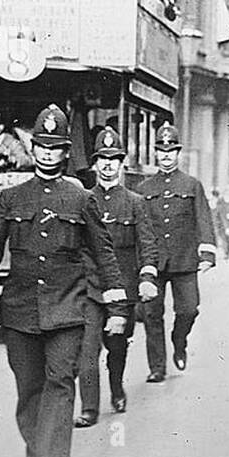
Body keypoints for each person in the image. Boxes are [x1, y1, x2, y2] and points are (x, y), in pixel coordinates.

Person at [0, 105, 130, 457]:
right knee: (29, 387)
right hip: (20, 309)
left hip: (67, 307)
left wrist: (117, 307)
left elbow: (104, 253)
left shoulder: (81, 199)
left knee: (60, 382)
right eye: (41, 145)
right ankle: (35, 456)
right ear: (33, 148)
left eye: (55, 147)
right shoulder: (11, 198)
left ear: (64, 152)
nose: (47, 153)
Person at [75, 127, 160, 425]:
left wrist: (147, 276)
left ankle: (116, 386)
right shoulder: (83, 200)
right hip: (89, 288)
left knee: (117, 347)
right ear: (95, 164)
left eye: (114, 159)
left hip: (122, 292)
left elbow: (147, 244)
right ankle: (88, 409)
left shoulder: (135, 202)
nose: (108, 165)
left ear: (122, 163)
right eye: (102, 159)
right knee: (87, 350)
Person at [137, 123, 217, 381]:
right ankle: (157, 368)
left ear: (178, 153)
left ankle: (179, 339)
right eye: (161, 150)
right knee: (152, 315)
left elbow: (203, 218)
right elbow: (140, 227)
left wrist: (207, 254)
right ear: (156, 153)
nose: (166, 155)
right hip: (153, 261)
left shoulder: (192, 185)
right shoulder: (144, 188)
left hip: (185, 260)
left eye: (171, 151)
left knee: (189, 309)